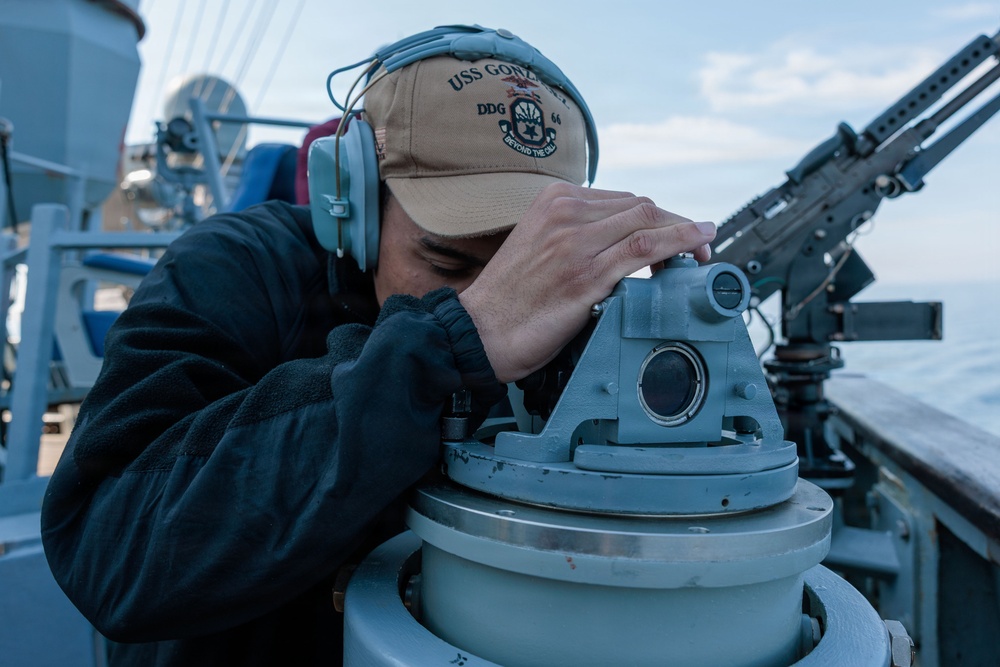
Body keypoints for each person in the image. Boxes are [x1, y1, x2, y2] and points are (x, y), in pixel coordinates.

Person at [40, 29, 715, 666]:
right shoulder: (230, 270)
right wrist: (455, 340)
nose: (501, 295)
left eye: (524, 266)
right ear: (352, 202)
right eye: (449, 260)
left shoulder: (561, 317)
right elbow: (111, 551)